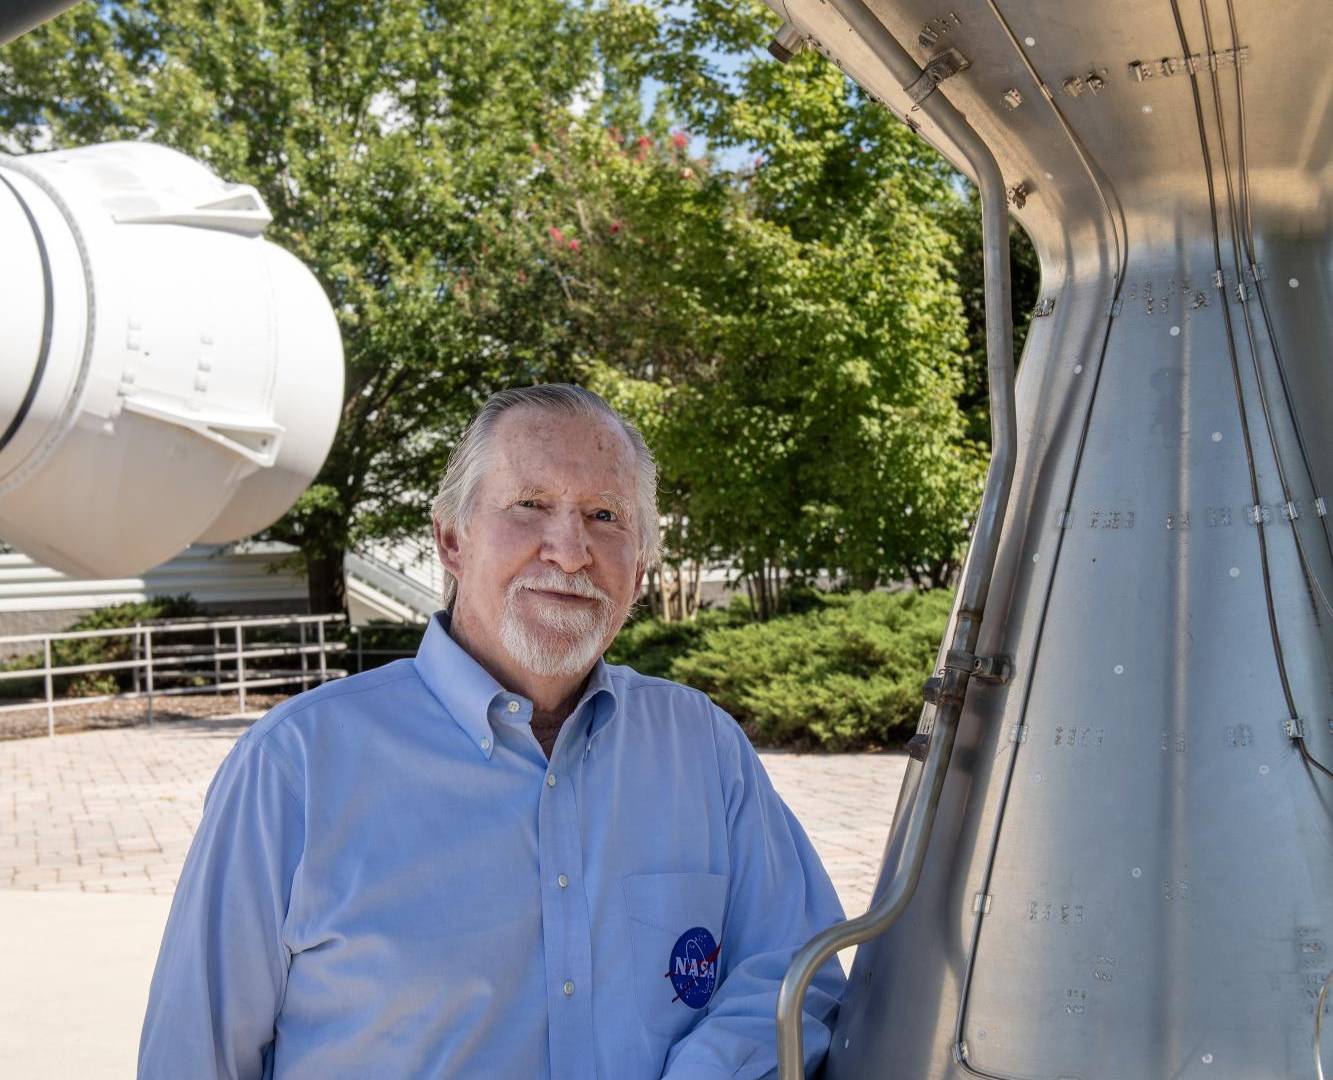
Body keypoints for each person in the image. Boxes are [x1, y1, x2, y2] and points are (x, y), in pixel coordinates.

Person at [139, 384, 846, 1079]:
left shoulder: (703, 749)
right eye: (530, 505)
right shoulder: (294, 766)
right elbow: (191, 1056)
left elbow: (797, 973)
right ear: (452, 539)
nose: (569, 551)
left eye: (604, 515)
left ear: (638, 568)